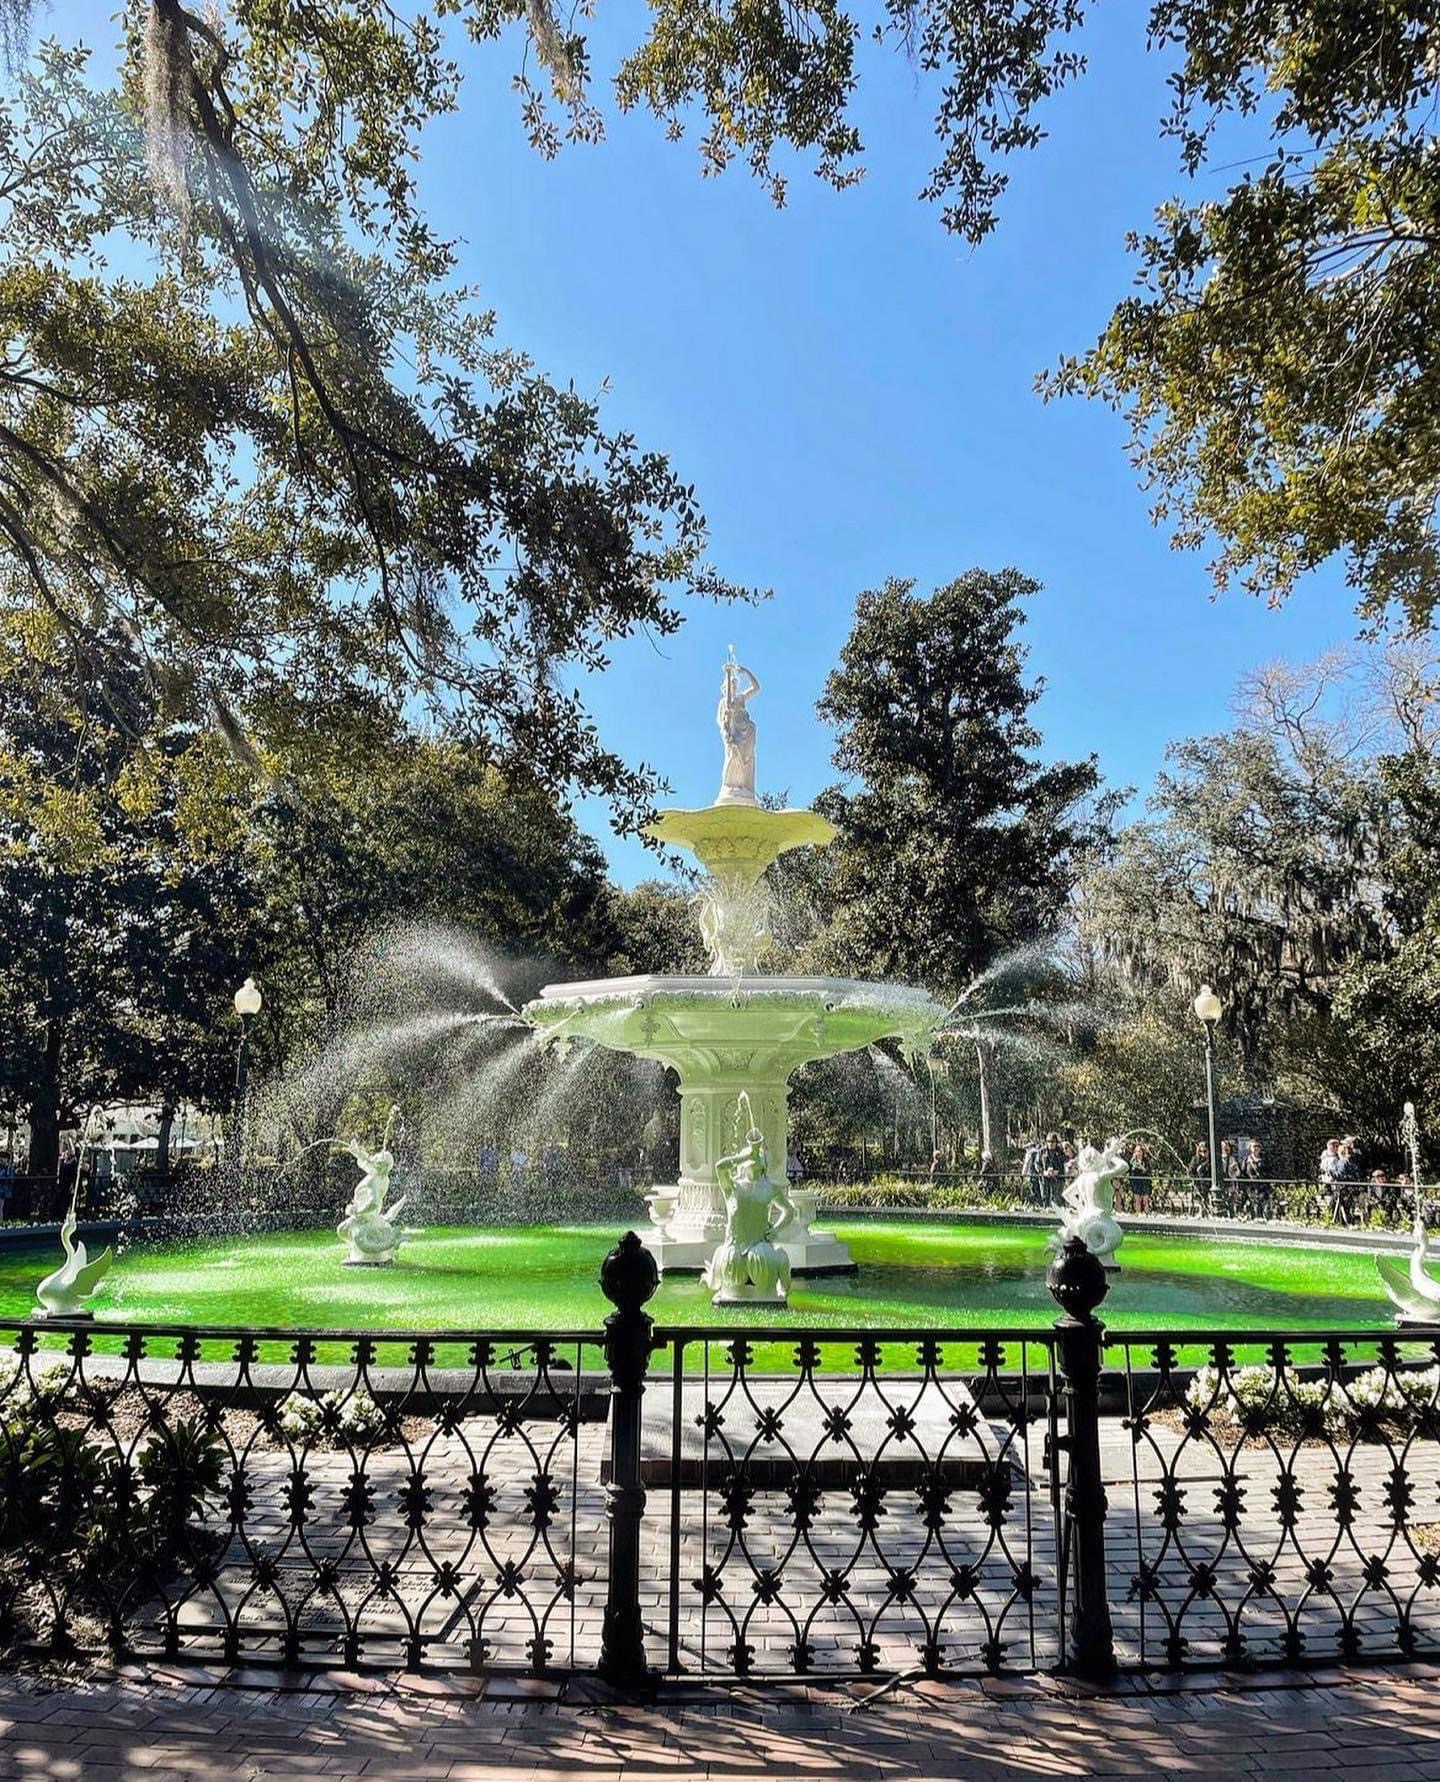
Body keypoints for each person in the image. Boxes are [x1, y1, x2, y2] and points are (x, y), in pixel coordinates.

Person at [1038, 1133, 1067, 1208]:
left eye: (1052, 1142)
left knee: (1056, 1198)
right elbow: (1037, 1164)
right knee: (1045, 1196)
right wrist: (1043, 1172)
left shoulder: (1060, 1152)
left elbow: (1065, 1163)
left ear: (1056, 1142)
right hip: (1045, 1178)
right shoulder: (1042, 1151)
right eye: (1049, 1141)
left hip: (1058, 1179)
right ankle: (1045, 1210)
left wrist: (1057, 1171)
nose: (1050, 1144)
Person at [1128, 1142, 1153, 1216]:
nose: (1137, 1153)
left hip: (1145, 1182)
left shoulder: (1146, 1161)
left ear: (1142, 1152)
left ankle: (1147, 1215)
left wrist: (1142, 1168)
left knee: (1145, 1200)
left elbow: (1148, 1171)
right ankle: (1138, 1215)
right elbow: (1130, 1170)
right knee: (1137, 1200)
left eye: (1139, 1151)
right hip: (1136, 1182)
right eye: (1136, 1151)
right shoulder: (1133, 1161)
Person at [1189, 1141, 1211, 1216]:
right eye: (1200, 1151)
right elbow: (1191, 1171)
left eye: (1205, 1151)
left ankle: (1206, 1210)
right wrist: (1195, 1179)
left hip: (1208, 1183)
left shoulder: (1211, 1160)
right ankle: (1202, 1210)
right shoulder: (1195, 1159)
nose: (1203, 1153)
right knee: (1200, 1196)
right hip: (1199, 1182)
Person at [1020, 1139, 1042, 1206]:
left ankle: (1035, 1204)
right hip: (1039, 1174)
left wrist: (1023, 1174)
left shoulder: (1029, 1153)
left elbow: (1027, 1164)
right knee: (1039, 1190)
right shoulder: (1039, 1152)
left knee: (1033, 1190)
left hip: (1032, 1174)